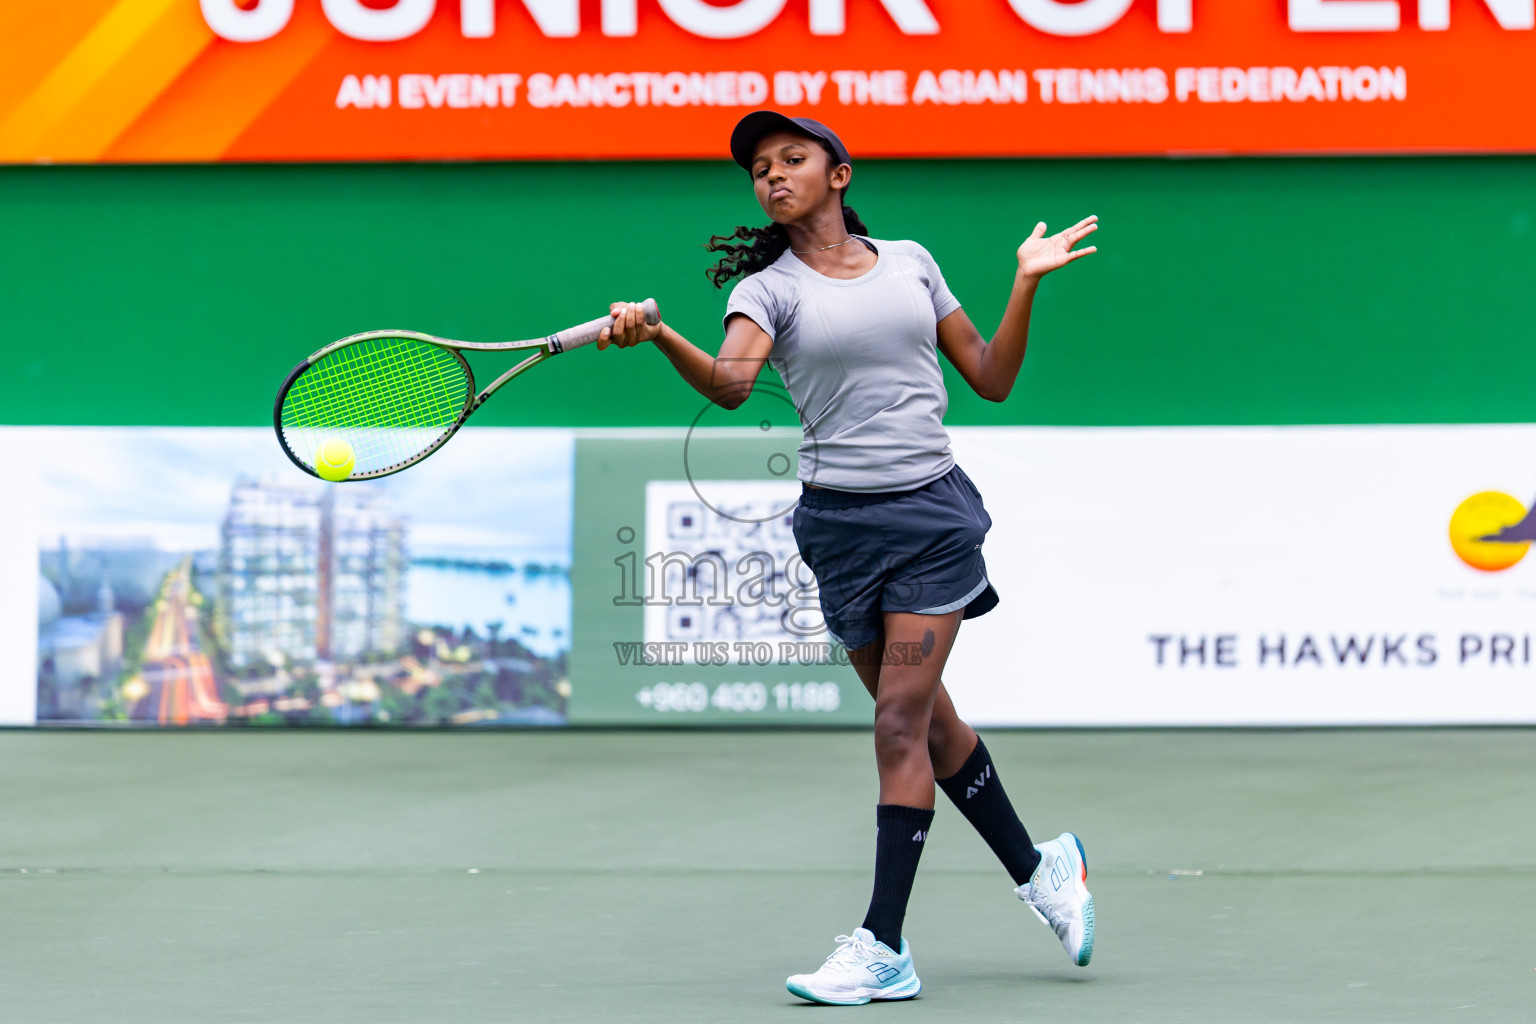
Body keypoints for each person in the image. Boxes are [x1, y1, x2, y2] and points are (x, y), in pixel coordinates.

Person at [598, 111, 1098, 1006]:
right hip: (838, 531)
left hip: (932, 521)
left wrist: (1025, 284)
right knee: (929, 722)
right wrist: (663, 334)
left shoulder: (911, 260)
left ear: (840, 174)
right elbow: (730, 382)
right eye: (759, 168)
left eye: (792, 158)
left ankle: (883, 944)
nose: (773, 175)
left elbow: (989, 376)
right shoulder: (767, 292)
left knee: (898, 725)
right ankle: (1041, 867)